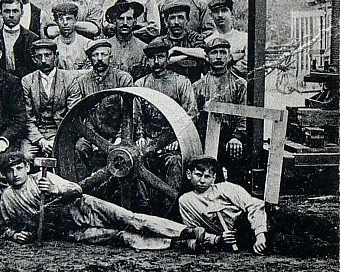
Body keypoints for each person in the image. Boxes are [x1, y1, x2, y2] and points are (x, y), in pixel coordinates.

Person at [0, 151, 213, 249]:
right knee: (121, 237)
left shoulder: (43, 178)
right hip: (71, 230)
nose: (15, 174)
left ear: (27, 167)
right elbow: (5, 226)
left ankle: (185, 231)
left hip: (85, 207)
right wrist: (15, 234)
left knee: (132, 219)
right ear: (5, 174)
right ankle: (179, 244)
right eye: (9, 171)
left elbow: (75, 189)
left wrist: (55, 189)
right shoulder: (7, 198)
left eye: (19, 168)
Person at [179, 156, 338, 256]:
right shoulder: (186, 201)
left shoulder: (226, 188)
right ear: (188, 174)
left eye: (207, 176)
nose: (202, 180)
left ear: (213, 177)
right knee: (289, 243)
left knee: (302, 221)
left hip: (260, 215)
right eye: (198, 175)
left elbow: (254, 206)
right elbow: (192, 232)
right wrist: (217, 239)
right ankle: (332, 249)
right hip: (241, 232)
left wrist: (260, 233)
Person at [133, 38, 197, 202]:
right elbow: (137, 115)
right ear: (147, 61)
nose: (157, 62)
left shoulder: (181, 82)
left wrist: (178, 138)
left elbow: (190, 115)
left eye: (160, 57)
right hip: (150, 141)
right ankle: (143, 207)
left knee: (174, 162)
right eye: (152, 58)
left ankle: (171, 206)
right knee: (136, 160)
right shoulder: (141, 84)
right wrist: (140, 137)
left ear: (167, 58)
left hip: (173, 143)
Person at [69, 39, 134, 181]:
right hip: (91, 136)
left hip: (118, 136)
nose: (99, 59)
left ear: (110, 57)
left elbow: (129, 113)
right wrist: (91, 138)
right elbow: (78, 114)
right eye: (95, 55)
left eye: (103, 55)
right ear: (90, 58)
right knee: (80, 147)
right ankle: (85, 188)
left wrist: (120, 138)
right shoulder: (81, 82)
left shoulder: (123, 79)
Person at [193, 38, 248, 187]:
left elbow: (244, 116)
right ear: (206, 57)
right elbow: (193, 118)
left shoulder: (240, 85)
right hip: (206, 142)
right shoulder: (197, 87)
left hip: (231, 141)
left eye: (222, 52)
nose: (218, 57)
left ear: (229, 56)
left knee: (237, 176)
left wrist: (237, 137)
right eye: (214, 53)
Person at [21, 39, 78, 160]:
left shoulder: (69, 80)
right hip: (35, 134)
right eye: (39, 56)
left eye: (47, 55)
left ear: (56, 56)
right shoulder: (27, 81)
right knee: (26, 156)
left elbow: (73, 114)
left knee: (61, 155)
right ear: (33, 59)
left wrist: (57, 140)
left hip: (60, 132)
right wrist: (40, 140)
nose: (43, 60)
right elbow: (27, 118)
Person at [157, 2, 207, 83]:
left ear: (187, 20)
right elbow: (162, 62)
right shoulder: (160, 42)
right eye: (172, 18)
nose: (176, 22)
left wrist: (176, 50)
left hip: (193, 86)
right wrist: (190, 55)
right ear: (166, 21)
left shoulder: (195, 38)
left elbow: (204, 54)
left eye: (180, 17)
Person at [0, 0, 40, 78]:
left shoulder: (32, 38)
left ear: (22, 13)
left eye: (15, 11)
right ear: (1, 14)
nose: (11, 15)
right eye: (7, 11)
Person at [105, 0, 148, 79]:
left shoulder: (143, 48)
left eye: (129, 19)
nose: (125, 23)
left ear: (134, 21)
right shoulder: (105, 47)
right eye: (121, 19)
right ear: (114, 21)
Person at [205, 0, 247, 76]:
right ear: (211, 15)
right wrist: (235, 57)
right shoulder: (208, 40)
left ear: (232, 12)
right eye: (216, 11)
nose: (220, 15)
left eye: (224, 11)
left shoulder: (244, 39)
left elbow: (246, 65)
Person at [51, 2, 89, 71]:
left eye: (69, 19)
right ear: (56, 22)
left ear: (76, 19)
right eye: (61, 19)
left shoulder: (87, 44)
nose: (65, 23)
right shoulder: (52, 46)